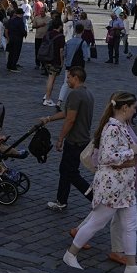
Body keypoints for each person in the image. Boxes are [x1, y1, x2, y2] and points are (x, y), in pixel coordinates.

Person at [61, 91, 137, 273]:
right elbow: (106, 157)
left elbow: (136, 150)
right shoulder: (112, 128)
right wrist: (129, 153)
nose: (135, 110)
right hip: (112, 187)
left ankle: (131, 266)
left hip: (124, 187)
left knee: (131, 225)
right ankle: (71, 254)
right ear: (125, 108)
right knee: (96, 223)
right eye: (133, 107)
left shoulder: (123, 126)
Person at [39, 67, 93, 213]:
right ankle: (61, 200)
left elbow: (70, 119)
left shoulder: (75, 94)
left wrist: (60, 139)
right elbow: (67, 112)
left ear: (76, 78)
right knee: (65, 170)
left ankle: (95, 199)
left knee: (71, 174)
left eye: (69, 77)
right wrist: (48, 119)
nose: (67, 80)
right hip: (83, 139)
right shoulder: (87, 93)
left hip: (75, 141)